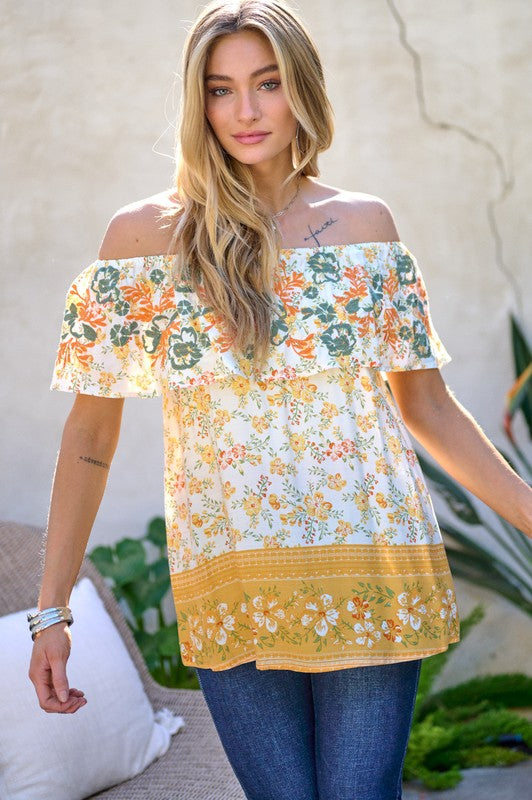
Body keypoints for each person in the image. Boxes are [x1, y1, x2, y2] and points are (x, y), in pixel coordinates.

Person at [29, 1, 532, 798]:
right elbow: (90, 435)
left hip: (368, 560)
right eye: (221, 90)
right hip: (234, 578)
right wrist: (50, 611)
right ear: (198, 104)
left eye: (267, 83)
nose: (247, 111)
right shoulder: (142, 241)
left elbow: (427, 409)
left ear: (303, 88)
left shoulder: (366, 227)